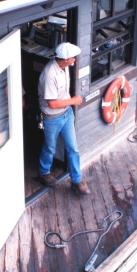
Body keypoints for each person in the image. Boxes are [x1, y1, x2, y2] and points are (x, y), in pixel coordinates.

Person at [37, 42, 90, 195]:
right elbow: (52, 104)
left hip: (67, 114)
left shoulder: (64, 67)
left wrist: (69, 105)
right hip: (52, 118)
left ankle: (76, 180)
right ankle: (44, 172)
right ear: (66, 59)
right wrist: (73, 101)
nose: (75, 59)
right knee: (50, 147)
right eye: (73, 57)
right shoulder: (49, 75)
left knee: (73, 148)